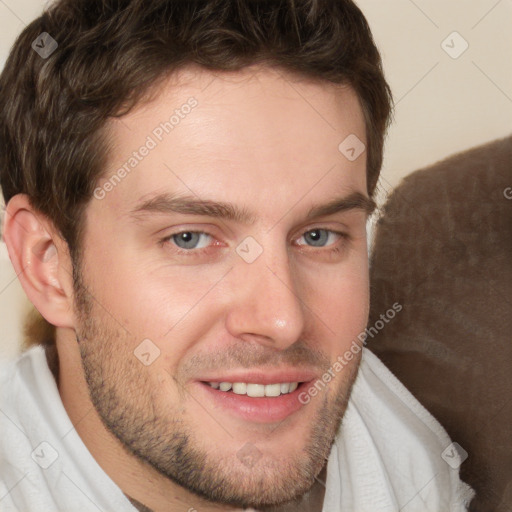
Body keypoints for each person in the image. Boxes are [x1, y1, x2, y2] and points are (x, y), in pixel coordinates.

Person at [0, 1, 474, 511]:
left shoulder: (415, 453)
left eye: (318, 236)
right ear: (48, 265)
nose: (283, 320)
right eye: (191, 239)